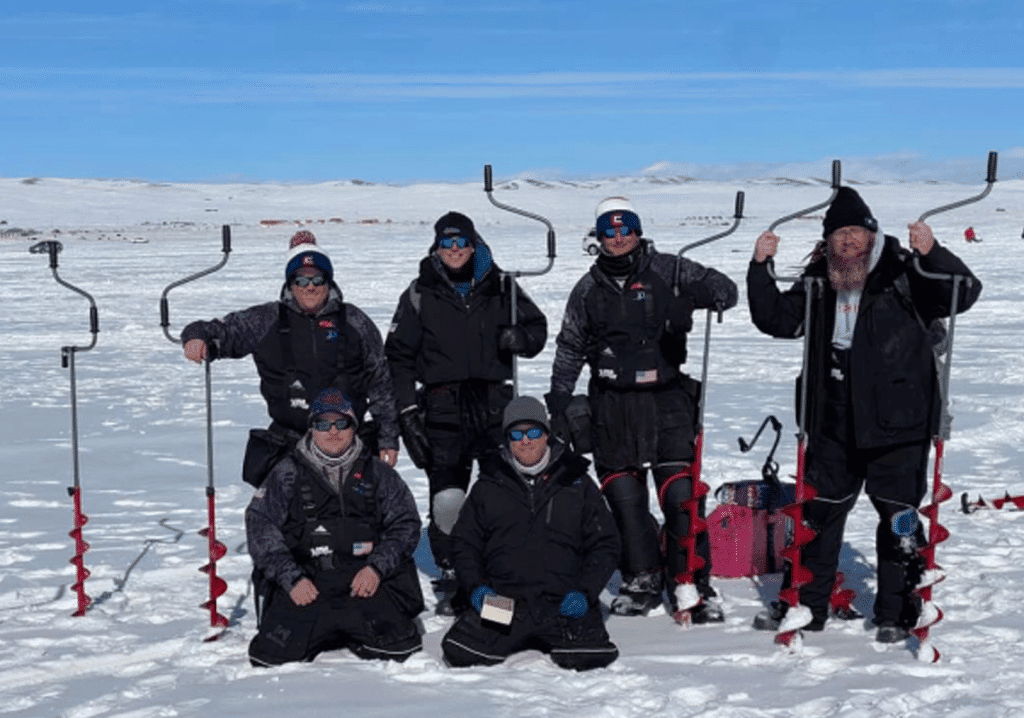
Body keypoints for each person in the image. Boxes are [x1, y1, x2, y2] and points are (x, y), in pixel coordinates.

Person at [746, 187, 982, 642]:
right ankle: (808, 606)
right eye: (839, 233)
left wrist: (932, 252)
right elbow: (778, 321)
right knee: (820, 514)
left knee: (899, 518)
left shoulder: (903, 269)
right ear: (828, 240)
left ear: (872, 234)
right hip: (832, 419)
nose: (848, 240)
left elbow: (963, 293)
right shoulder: (820, 278)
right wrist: (760, 268)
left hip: (900, 420)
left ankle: (897, 611)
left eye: (855, 231)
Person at [546, 197, 738, 621]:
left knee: (681, 495)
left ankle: (690, 579)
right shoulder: (588, 288)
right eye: (609, 232)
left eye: (625, 229)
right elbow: (570, 345)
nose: (618, 238)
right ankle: (642, 577)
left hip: (667, 399)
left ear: (637, 231)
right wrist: (559, 399)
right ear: (599, 238)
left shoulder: (670, 269)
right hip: (611, 404)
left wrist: (692, 299)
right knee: (625, 497)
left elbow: (727, 291)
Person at [385, 211, 547, 614]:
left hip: (495, 406)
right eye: (447, 243)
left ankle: (501, 566)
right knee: (448, 499)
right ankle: (455, 570)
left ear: (474, 246)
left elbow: (538, 328)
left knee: (501, 492)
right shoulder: (419, 292)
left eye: (462, 243)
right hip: (442, 409)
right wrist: (407, 412)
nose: (455, 250)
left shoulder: (502, 285)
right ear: (436, 247)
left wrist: (522, 338)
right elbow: (398, 357)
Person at [181, 231, 400, 478]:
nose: (310, 287)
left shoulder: (355, 321)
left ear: (329, 282)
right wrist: (195, 337)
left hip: (345, 443)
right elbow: (216, 330)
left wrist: (388, 439)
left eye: (317, 279)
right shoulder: (266, 320)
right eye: (301, 280)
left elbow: (380, 382)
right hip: (288, 445)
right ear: (290, 284)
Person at [246, 388, 424, 666]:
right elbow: (260, 526)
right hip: (308, 582)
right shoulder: (286, 472)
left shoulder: (378, 472)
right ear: (312, 428)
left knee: (402, 648)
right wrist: (292, 579)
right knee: (269, 656)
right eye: (322, 423)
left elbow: (406, 524)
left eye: (342, 423)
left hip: (363, 581)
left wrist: (376, 568)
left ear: (354, 427)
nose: (333, 431)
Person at [441, 396, 620, 670]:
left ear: (546, 434)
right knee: (461, 651)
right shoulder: (488, 484)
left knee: (589, 656)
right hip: (505, 604)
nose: (525, 441)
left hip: (563, 601)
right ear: (507, 440)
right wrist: (476, 588)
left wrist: (585, 592)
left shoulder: (576, 482)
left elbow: (605, 543)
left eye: (533, 432)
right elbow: (465, 543)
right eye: (516, 434)